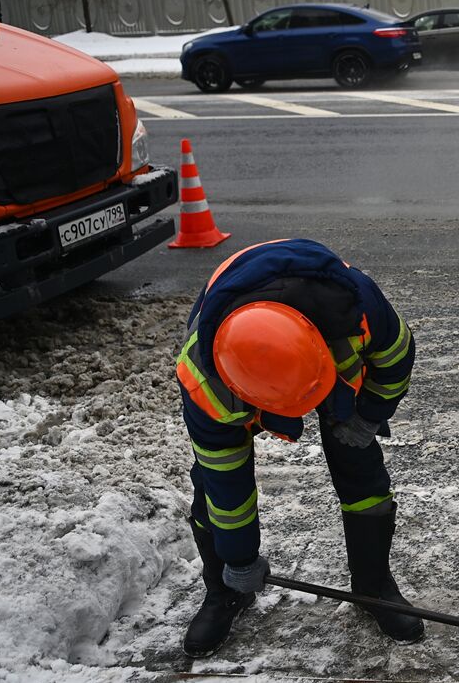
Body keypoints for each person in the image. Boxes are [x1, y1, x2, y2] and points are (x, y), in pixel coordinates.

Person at [176, 238, 422, 657]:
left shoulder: (360, 311)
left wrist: (370, 414)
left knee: (361, 470)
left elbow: (397, 358)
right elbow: (227, 483)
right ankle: (224, 592)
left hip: (324, 351)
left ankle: (372, 585)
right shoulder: (206, 380)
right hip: (247, 350)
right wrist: (240, 557)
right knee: (213, 491)